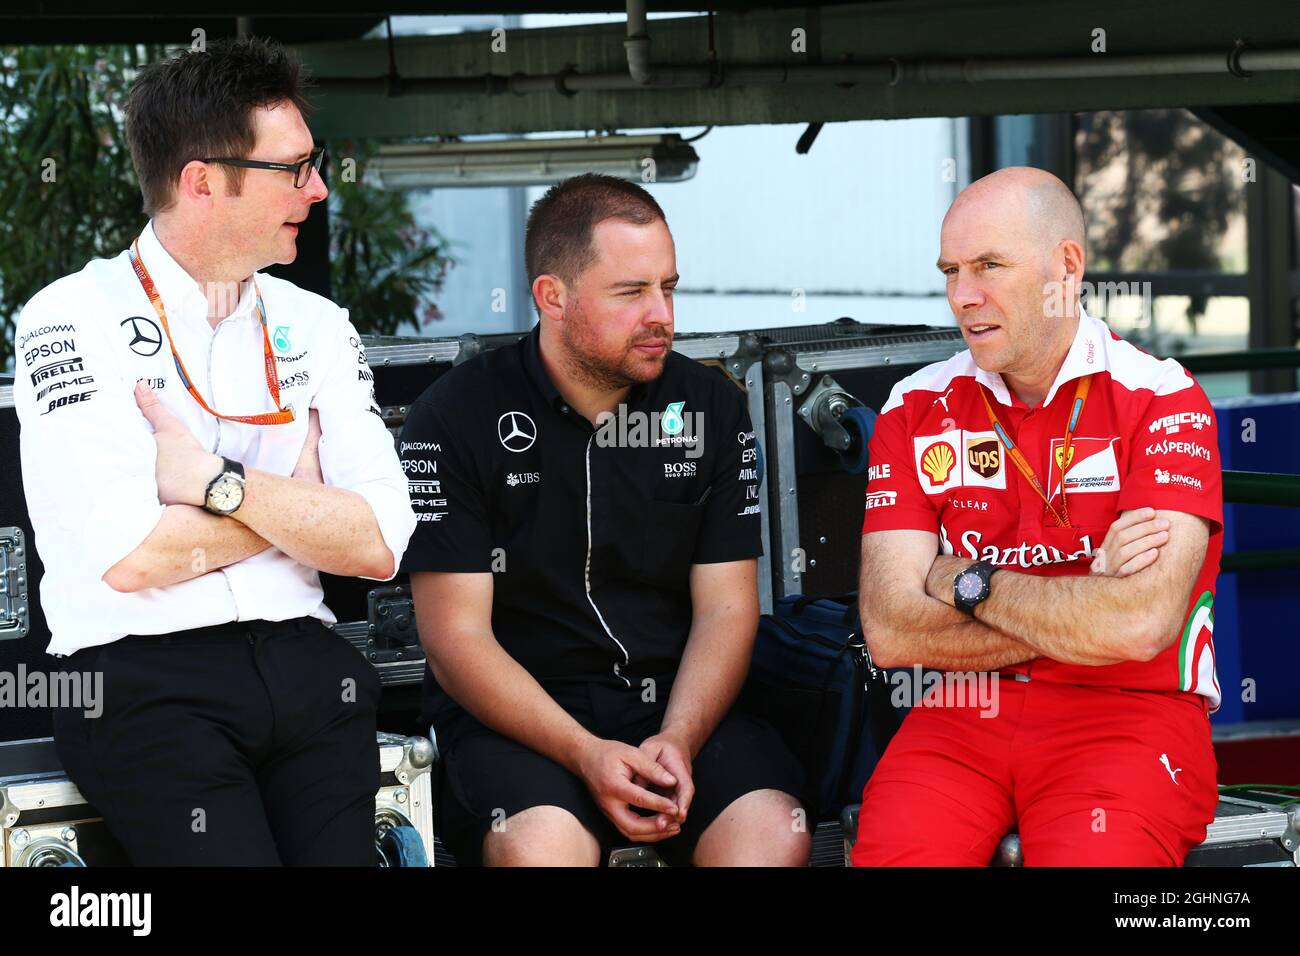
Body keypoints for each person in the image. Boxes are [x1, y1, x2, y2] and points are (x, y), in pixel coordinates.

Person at [12, 37, 415, 865]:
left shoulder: (317, 323)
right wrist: (298, 501)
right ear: (203, 181)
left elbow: (380, 542)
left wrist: (215, 486)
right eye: (294, 168)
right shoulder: (70, 316)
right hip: (142, 682)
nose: (319, 188)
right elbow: (128, 555)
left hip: (310, 667)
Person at [399, 173, 808, 866]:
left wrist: (678, 738)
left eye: (668, 287)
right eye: (631, 292)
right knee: (541, 850)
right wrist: (585, 754)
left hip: (680, 707)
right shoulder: (453, 416)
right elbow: (454, 639)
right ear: (551, 297)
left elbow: (728, 610)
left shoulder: (710, 406)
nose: (663, 316)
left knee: (775, 834)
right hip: (519, 721)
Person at [852, 166, 1221, 866]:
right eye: (951, 271)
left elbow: (1139, 626)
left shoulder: (1164, 399)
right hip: (965, 710)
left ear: (1066, 267)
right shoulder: (912, 405)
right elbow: (893, 633)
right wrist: (1086, 604)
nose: (964, 296)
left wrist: (965, 582)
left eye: (989, 266)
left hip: (1125, 714)